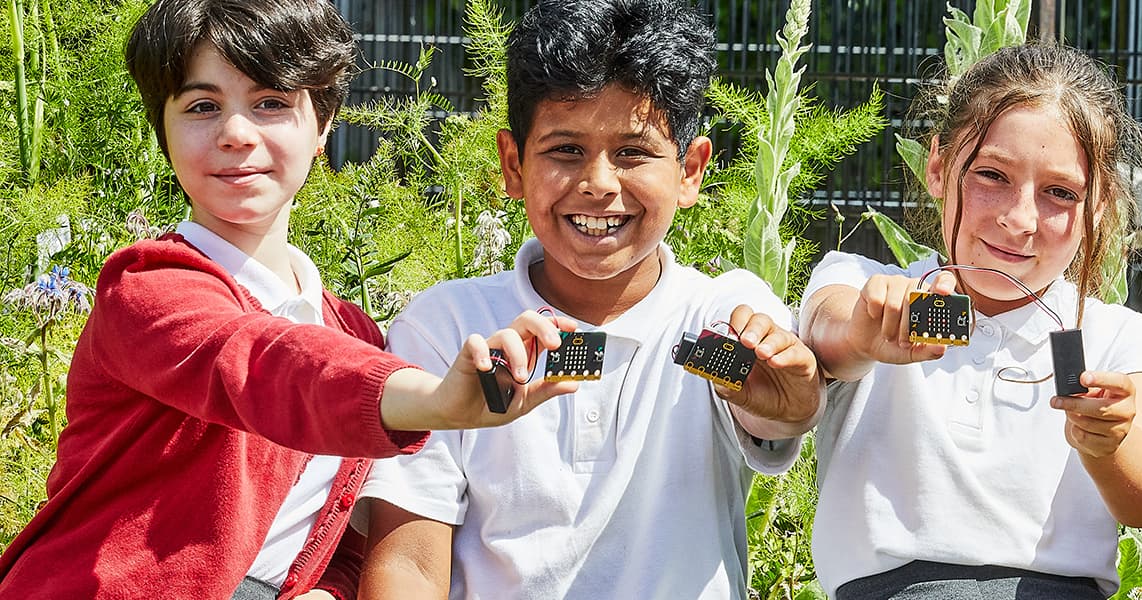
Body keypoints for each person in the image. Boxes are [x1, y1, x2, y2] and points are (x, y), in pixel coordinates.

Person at [0, 1, 571, 598]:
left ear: (323, 126)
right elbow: (263, 366)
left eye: (271, 103)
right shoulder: (148, 287)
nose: (236, 134)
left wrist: (331, 592)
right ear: (162, 131)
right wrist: (434, 400)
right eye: (202, 107)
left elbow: (342, 532)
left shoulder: (356, 334)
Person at [356, 1, 822, 597]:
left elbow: (777, 404)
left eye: (633, 152)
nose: (599, 183)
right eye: (565, 150)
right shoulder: (450, 331)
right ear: (512, 164)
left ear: (691, 170)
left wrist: (792, 400)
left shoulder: (715, 321)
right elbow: (408, 566)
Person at [798, 43, 1142, 599]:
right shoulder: (859, 283)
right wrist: (865, 332)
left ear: (1099, 205)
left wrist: (1110, 441)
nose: (1019, 218)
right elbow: (826, 336)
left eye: (1059, 193)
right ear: (936, 166)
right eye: (992, 175)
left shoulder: (1126, 338)